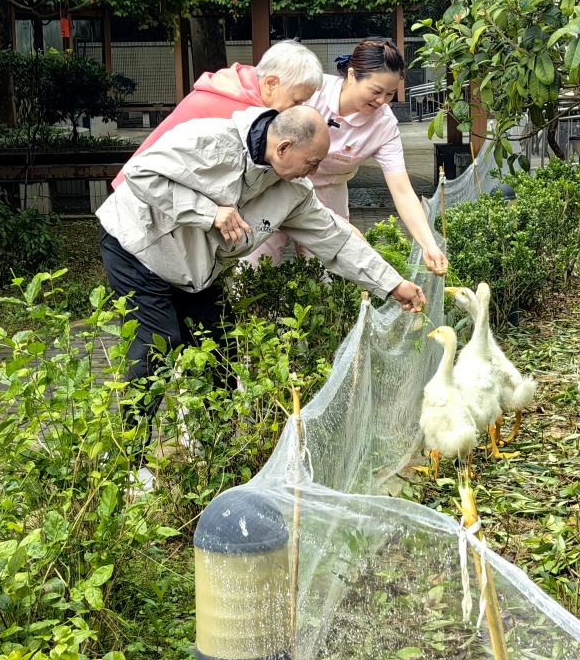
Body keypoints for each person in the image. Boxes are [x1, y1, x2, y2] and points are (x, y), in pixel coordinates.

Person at [97, 105, 426, 412]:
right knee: (159, 341)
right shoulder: (209, 139)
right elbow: (140, 173)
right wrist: (207, 212)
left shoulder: (294, 191)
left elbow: (336, 241)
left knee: (221, 344)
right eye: (311, 162)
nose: (313, 172)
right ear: (283, 148)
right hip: (138, 245)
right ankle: (132, 450)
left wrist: (392, 284)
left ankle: (217, 444)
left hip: (193, 266)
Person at [245, 38, 448, 276]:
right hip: (278, 185)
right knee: (253, 267)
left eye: (390, 94)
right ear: (351, 75)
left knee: (326, 275)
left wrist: (428, 244)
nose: (382, 101)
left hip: (329, 193)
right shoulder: (312, 90)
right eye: (376, 91)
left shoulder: (384, 125)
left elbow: (402, 191)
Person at [111, 39, 323, 188]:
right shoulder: (238, 112)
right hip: (141, 196)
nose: (296, 109)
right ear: (271, 83)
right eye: (296, 101)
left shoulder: (239, 88)